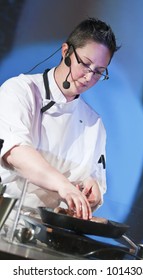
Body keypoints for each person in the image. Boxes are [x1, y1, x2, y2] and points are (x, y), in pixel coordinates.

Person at [0, 17, 118, 221]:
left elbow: (95, 179)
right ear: (66, 52)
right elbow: (15, 152)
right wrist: (63, 185)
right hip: (7, 216)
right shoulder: (20, 90)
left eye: (99, 72)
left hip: (51, 227)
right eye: (85, 64)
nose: (89, 77)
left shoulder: (93, 123)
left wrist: (93, 192)